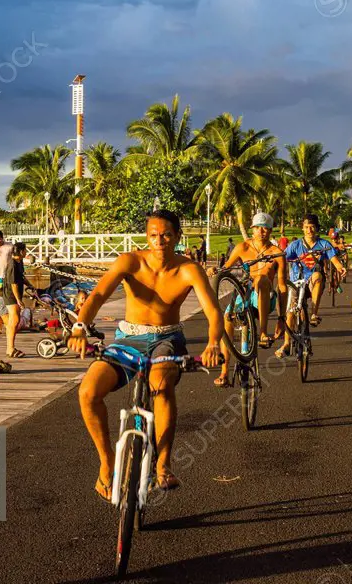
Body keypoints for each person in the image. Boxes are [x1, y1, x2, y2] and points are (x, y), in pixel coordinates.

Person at [70, 210, 224, 502]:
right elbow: (98, 295)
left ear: (178, 236)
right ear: (146, 236)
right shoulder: (130, 261)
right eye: (153, 234)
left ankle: (163, 464)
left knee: (161, 386)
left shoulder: (188, 269)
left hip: (168, 338)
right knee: (88, 391)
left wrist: (213, 342)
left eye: (166, 234)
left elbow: (212, 310)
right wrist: (80, 326)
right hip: (128, 339)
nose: (159, 240)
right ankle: (107, 462)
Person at [215, 212, 287, 387]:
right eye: (258, 228)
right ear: (252, 229)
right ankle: (224, 372)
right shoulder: (242, 248)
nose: (261, 231)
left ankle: (262, 332)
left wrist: (281, 318)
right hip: (245, 295)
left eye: (266, 228)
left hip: (265, 298)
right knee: (227, 320)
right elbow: (226, 268)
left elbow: (283, 286)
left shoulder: (277, 253)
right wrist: (215, 271)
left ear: (270, 230)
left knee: (262, 279)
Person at [276, 214, 347, 358]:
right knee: (290, 312)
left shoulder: (324, 245)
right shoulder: (295, 245)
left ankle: (314, 313)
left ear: (317, 228)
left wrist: (340, 268)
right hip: (296, 283)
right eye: (306, 227)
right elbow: (282, 258)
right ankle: (286, 344)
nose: (309, 230)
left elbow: (333, 259)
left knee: (317, 275)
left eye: (312, 227)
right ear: (302, 228)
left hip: (313, 284)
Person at [0, 242, 30, 356]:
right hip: (10, 294)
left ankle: (11, 348)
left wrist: (30, 285)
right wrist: (19, 300)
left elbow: (21, 277)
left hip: (15, 293)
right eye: (25, 250)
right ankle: (10, 348)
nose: (26, 252)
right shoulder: (12, 264)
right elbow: (13, 284)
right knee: (14, 321)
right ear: (20, 252)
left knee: (14, 321)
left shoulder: (19, 262)